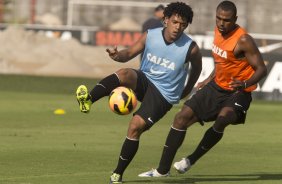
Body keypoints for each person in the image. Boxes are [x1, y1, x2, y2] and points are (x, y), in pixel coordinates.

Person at [75, 2, 202, 184]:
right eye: (175, 22)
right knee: (125, 73)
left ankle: (117, 174)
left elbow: (197, 68)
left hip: (163, 95)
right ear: (165, 20)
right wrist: (117, 56)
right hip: (146, 80)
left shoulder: (191, 48)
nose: (178, 27)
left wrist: (188, 89)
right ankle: (88, 100)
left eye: (183, 24)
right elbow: (130, 52)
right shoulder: (151, 35)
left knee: (135, 127)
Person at [138, 0, 267, 177]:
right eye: (218, 18)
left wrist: (244, 84)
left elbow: (262, 68)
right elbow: (223, 62)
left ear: (235, 19)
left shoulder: (243, 40)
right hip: (216, 86)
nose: (221, 23)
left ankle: (190, 159)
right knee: (181, 117)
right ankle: (162, 170)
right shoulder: (217, 31)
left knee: (223, 118)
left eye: (226, 20)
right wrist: (208, 79)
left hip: (239, 90)